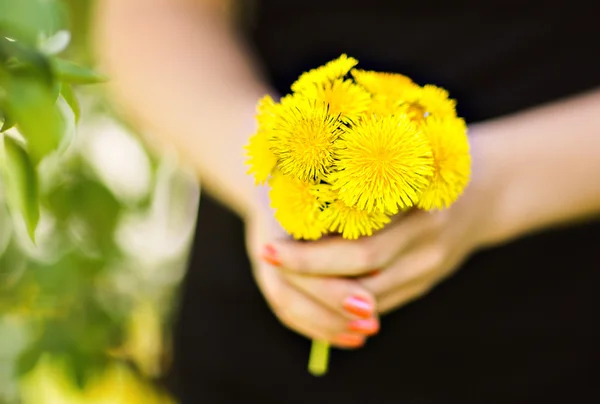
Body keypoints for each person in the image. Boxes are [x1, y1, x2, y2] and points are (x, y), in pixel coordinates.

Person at [94, 0, 600, 402]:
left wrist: (486, 190)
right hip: (258, 330)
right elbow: (153, 13)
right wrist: (268, 169)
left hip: (558, 336)